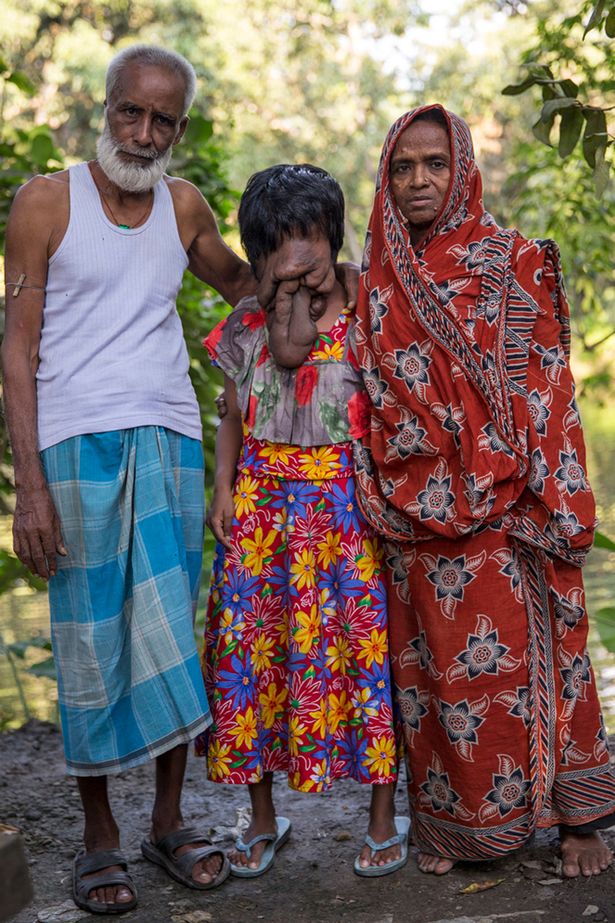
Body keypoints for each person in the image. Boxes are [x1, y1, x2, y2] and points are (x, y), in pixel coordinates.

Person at [1, 43, 268, 915]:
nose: (143, 132)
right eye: (130, 111)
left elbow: (241, 285)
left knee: (166, 634)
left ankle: (165, 819)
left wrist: (318, 263)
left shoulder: (182, 205)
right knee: (86, 635)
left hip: (167, 437)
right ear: (104, 107)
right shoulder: (45, 201)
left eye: (162, 119)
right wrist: (28, 487)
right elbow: (16, 349)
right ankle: (98, 836)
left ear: (179, 129)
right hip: (74, 444)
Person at [352, 104, 615, 879]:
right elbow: (367, 394)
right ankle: (462, 827)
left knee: (547, 655)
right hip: (412, 510)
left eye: (434, 164)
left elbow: (545, 387)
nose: (418, 181)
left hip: (510, 505)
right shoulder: (375, 283)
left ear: (461, 168)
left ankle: (577, 822)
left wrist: (524, 482)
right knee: (436, 670)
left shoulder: (512, 261)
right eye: (402, 168)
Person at [198, 163, 410, 878]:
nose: (296, 258)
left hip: (346, 511)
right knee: (249, 659)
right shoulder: (246, 325)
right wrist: (222, 486)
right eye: (279, 245)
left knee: (363, 654)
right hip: (259, 509)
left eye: (309, 238)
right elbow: (232, 412)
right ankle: (261, 814)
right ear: (257, 256)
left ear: (331, 236)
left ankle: (382, 815)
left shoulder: (364, 312)